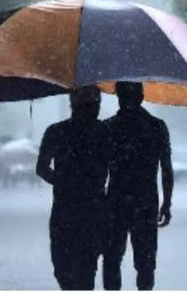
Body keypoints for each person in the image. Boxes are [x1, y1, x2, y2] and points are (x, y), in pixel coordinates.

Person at [36, 86, 109, 290]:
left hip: (70, 211)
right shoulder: (103, 133)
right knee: (82, 269)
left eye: (95, 103)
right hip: (88, 211)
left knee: (69, 268)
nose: (94, 108)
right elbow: (41, 168)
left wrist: (64, 182)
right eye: (92, 103)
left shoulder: (57, 132)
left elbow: (42, 169)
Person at [103, 81, 173, 291]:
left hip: (115, 202)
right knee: (145, 262)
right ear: (142, 97)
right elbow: (166, 169)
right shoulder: (156, 127)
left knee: (112, 258)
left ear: (118, 97)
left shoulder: (108, 127)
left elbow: (98, 170)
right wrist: (167, 203)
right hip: (146, 202)